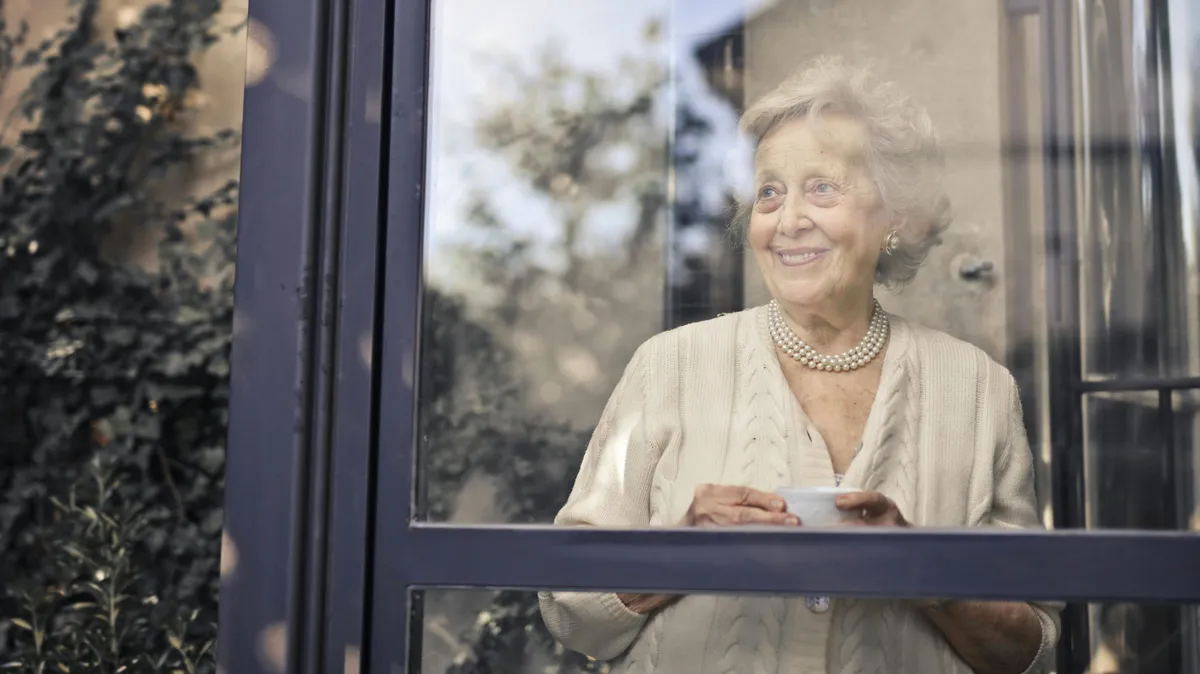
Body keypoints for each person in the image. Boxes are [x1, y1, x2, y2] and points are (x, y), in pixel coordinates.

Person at [538, 57, 1060, 673]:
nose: (788, 221)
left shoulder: (977, 391)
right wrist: (681, 549)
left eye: (822, 188)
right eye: (769, 192)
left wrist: (924, 572)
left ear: (894, 216)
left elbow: (1030, 651)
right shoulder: (669, 367)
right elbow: (569, 606)